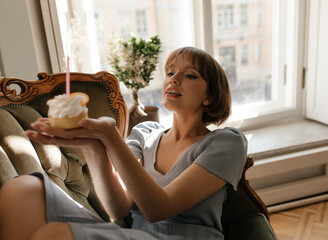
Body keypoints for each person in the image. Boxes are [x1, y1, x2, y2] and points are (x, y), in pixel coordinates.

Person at [0, 46, 247, 240]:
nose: (173, 79)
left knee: (54, 236)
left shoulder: (226, 142)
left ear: (209, 96)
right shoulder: (145, 133)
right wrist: (93, 145)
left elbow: (159, 209)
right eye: (170, 73)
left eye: (190, 75)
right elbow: (118, 208)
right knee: (21, 189)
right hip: (135, 236)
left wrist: (111, 137)